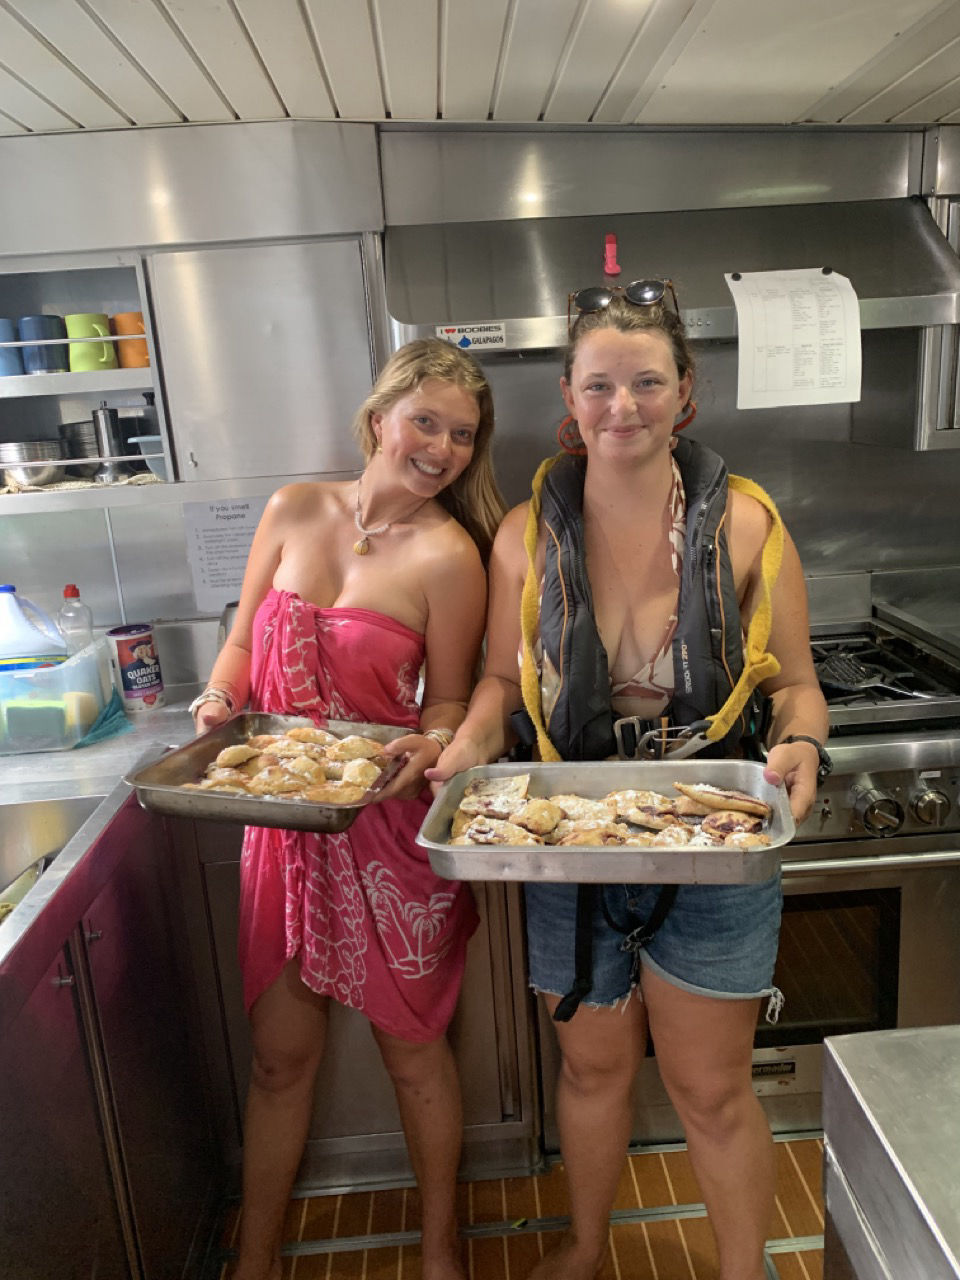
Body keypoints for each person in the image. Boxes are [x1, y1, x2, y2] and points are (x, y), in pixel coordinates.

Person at [427, 282, 830, 1280]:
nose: (623, 406)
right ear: (570, 395)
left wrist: (804, 749)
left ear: (685, 391)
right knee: (592, 1067)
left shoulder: (747, 524)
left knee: (711, 1087)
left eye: (647, 382)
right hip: (570, 839)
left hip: (715, 836)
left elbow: (798, 685)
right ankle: (585, 1245)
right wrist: (467, 743)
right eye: (600, 384)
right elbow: (497, 681)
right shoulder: (526, 534)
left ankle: (743, 1269)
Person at [190, 338, 506, 1280]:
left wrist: (430, 746)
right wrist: (217, 700)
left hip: (389, 829)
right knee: (279, 1061)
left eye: (462, 435)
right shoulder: (293, 509)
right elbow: (240, 643)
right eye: (425, 422)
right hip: (282, 828)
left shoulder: (452, 555)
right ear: (378, 420)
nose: (441, 448)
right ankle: (255, 1259)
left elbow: (450, 702)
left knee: (415, 1056)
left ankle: (441, 1252)